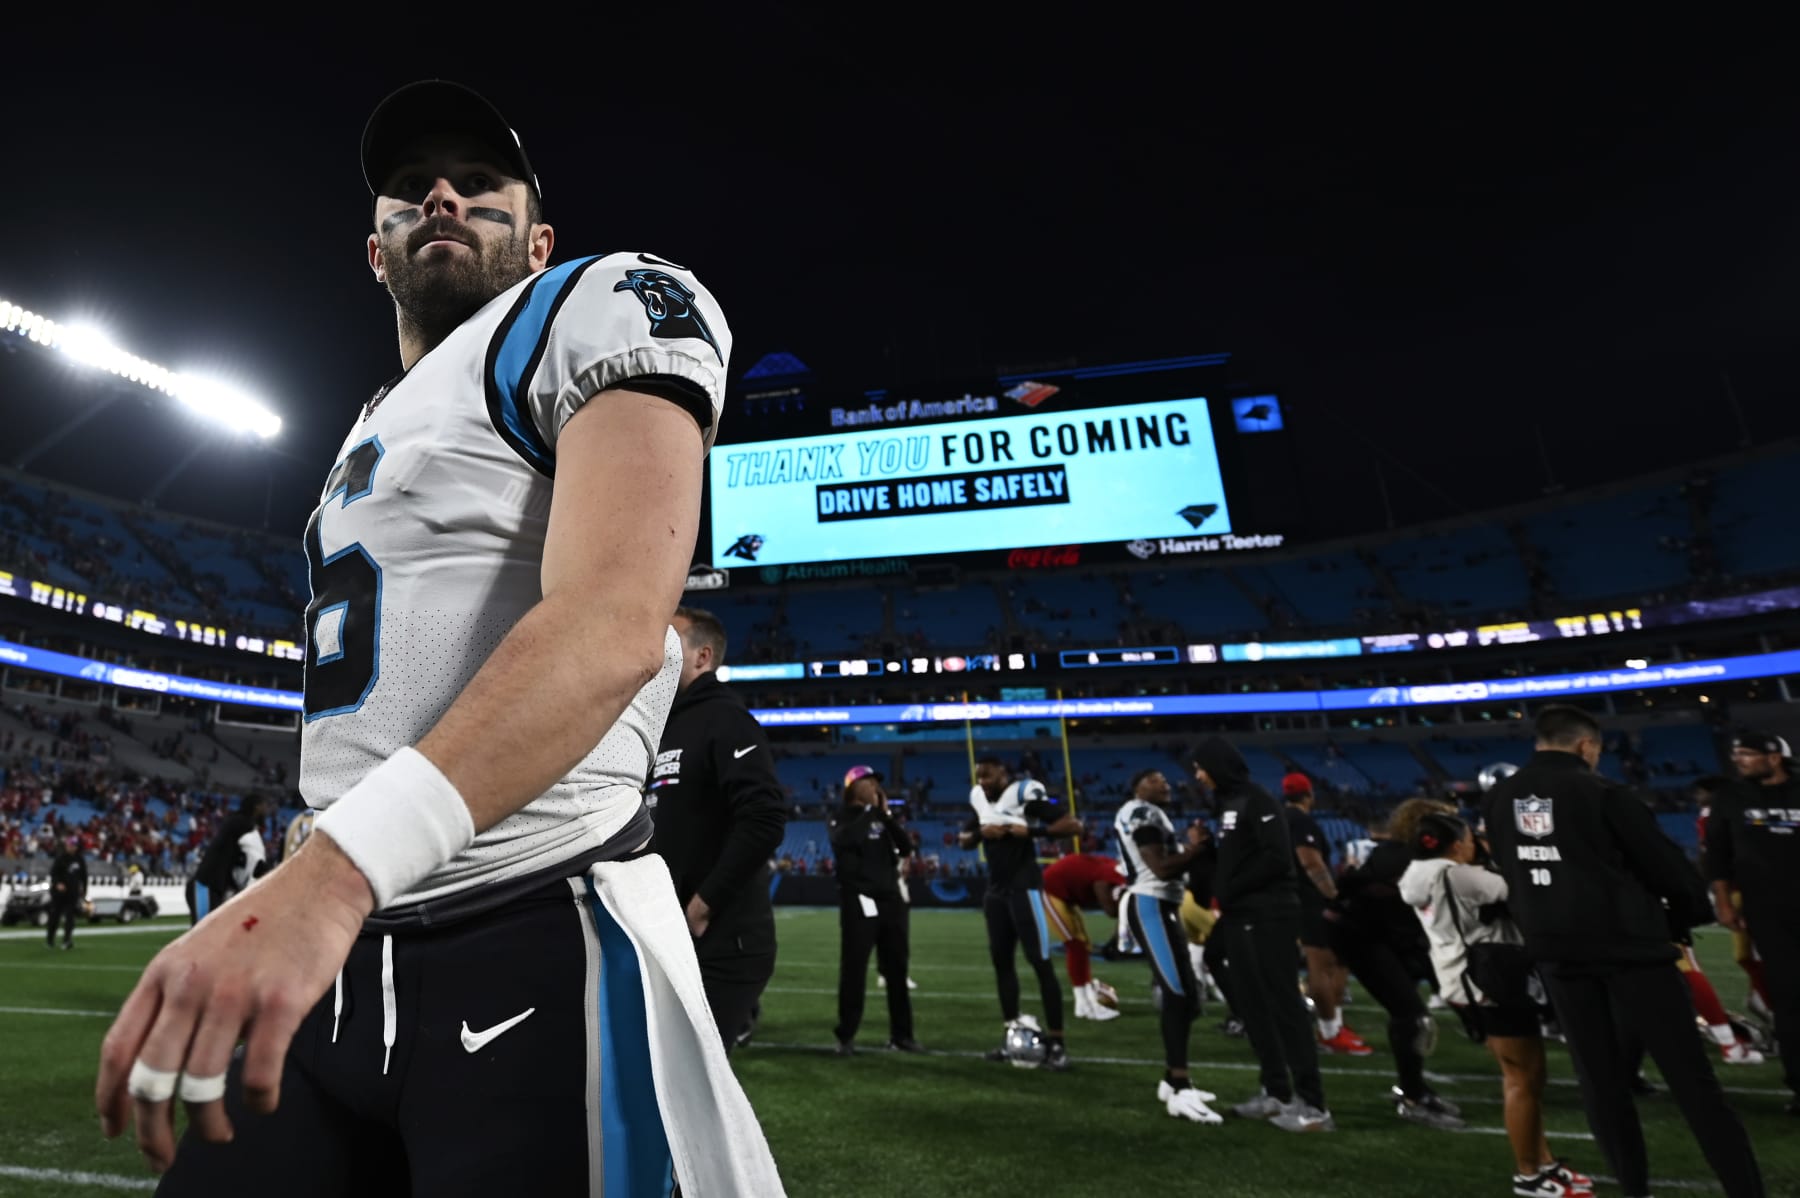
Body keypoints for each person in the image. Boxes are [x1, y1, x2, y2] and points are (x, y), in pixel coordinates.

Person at [96, 79, 782, 1195]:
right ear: (378, 250)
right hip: (341, 958)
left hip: (536, 920)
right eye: (411, 189)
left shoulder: (590, 303)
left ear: (539, 235)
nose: (445, 197)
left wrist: (331, 876)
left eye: (480, 183)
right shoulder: (367, 422)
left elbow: (613, 625)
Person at [1484, 705, 1763, 1198]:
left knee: (1602, 1086)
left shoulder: (1500, 797)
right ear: (1586, 746)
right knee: (1693, 1085)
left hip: (1557, 956)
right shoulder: (1605, 793)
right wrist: (1676, 923)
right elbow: (1676, 879)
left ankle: (1634, 1190)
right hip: (1631, 951)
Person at [1400, 811, 1595, 1197]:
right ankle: (1529, 1174)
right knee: (1523, 1078)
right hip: (1489, 982)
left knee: (1526, 1076)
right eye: (1470, 839)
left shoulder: (1415, 874)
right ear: (1457, 844)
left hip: (1464, 982)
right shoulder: (1460, 875)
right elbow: (1523, 886)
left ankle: (1544, 1162)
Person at [649, 605, 789, 1053]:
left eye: (669, 641)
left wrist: (702, 905)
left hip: (721, 942)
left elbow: (765, 818)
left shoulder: (725, 718)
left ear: (702, 656)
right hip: (674, 937)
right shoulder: (666, 725)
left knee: (694, 1088)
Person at [1188, 737, 1331, 1132]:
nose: (1198, 775)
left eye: (1201, 767)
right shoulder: (1226, 805)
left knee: (1284, 1003)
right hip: (1239, 916)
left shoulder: (1258, 800)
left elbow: (1275, 857)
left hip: (1269, 914)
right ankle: (1276, 1091)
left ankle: (1314, 1104)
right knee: (1251, 1006)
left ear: (1218, 765)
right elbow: (1239, 857)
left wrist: (1230, 887)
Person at [1326, 795, 1466, 1130]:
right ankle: (1413, 1098)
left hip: (1383, 939)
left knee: (1409, 1015)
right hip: (1364, 940)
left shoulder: (1402, 855)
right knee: (1412, 1016)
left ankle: (1413, 1089)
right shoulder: (1403, 858)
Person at [958, 756, 1083, 1071]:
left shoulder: (1024, 793)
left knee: (1040, 963)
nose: (983, 781)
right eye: (979, 776)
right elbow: (963, 840)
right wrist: (980, 834)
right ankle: (1011, 1035)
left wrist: (1027, 832)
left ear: (1003, 771)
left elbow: (1071, 824)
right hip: (995, 892)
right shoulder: (978, 798)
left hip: (1024, 888)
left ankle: (1057, 1044)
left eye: (988, 774)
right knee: (1002, 964)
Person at [1114, 769, 1223, 1123]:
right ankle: (1179, 1087)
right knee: (1176, 994)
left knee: (1188, 995)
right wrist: (1198, 848)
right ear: (1139, 786)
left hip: (1163, 905)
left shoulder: (1152, 814)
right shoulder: (1141, 812)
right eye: (1157, 779)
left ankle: (1171, 1079)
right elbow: (1160, 868)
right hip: (1150, 903)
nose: (1167, 784)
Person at [1706, 731, 1800, 1111]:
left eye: (1746, 753)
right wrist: (1725, 903)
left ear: (1774, 757)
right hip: (1769, 913)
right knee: (1790, 998)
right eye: (1736, 753)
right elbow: (1718, 856)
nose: (1738, 760)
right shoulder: (1729, 798)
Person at [829, 766, 920, 1054]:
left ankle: (902, 1036)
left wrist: (886, 816)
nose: (875, 787)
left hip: (890, 901)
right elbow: (845, 840)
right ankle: (846, 1036)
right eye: (868, 782)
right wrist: (871, 813)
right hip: (859, 902)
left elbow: (905, 847)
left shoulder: (881, 817)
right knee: (854, 971)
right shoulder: (840, 817)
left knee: (897, 970)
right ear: (852, 788)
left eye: (876, 783)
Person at [1279, 771, 1371, 1056]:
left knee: (1330, 964)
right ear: (1309, 795)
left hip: (1289, 899)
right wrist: (1333, 896)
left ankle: (1332, 1027)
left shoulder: (1279, 820)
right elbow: (1311, 862)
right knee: (1323, 965)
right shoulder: (1300, 821)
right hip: (1308, 900)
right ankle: (1329, 1032)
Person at [1040, 850, 1125, 1021]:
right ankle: (1085, 1004)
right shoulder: (1117, 874)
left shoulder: (1118, 870)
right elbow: (1103, 892)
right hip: (1051, 889)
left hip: (1067, 895)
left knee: (1082, 946)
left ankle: (1084, 1004)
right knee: (1075, 945)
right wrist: (1114, 911)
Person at [186, 796, 272, 926]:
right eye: (265, 806)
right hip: (205, 886)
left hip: (212, 888)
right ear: (256, 807)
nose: (267, 810)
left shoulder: (235, 823)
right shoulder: (244, 825)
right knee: (203, 936)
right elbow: (257, 860)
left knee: (210, 937)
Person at [47, 833, 87, 951]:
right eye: (70, 845)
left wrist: (84, 889)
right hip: (59, 894)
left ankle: (67, 940)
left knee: (70, 918)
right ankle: (50, 940)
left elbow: (84, 876)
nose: (72, 847)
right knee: (55, 916)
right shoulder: (60, 858)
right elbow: (53, 873)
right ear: (66, 846)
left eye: (74, 845)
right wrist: (57, 883)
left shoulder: (79, 859)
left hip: (72, 893)